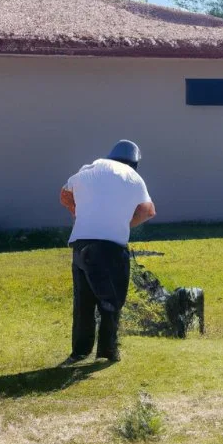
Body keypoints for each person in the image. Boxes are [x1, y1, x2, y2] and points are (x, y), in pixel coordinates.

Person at [59, 140, 156, 363]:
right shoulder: (133, 177)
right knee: (111, 300)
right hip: (110, 248)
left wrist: (79, 213)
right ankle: (108, 351)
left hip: (80, 244)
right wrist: (124, 222)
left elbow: (64, 195)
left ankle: (80, 351)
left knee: (83, 301)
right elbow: (149, 211)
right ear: (135, 162)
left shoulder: (87, 169)